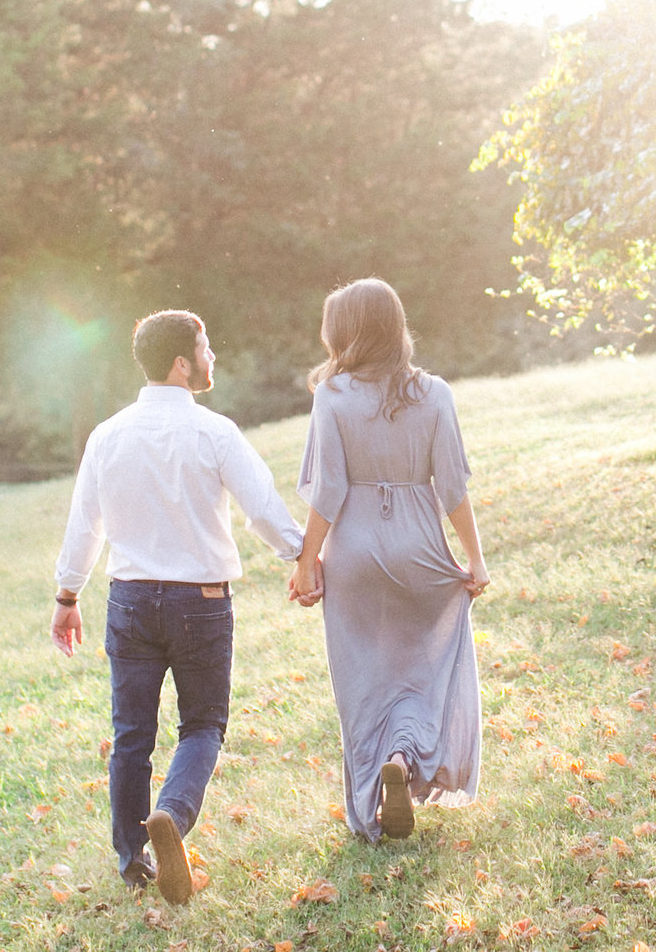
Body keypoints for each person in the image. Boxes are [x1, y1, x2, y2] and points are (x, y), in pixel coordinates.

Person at [51, 309, 309, 904]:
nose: (213, 357)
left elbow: (84, 526)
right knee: (202, 726)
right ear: (181, 363)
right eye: (206, 347)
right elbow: (263, 509)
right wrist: (302, 557)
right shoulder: (215, 432)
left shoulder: (107, 435)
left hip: (131, 602)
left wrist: (68, 595)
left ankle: (132, 859)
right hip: (201, 603)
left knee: (131, 735)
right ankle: (171, 815)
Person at [289, 278, 489, 842]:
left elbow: (327, 490)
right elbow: (451, 488)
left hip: (353, 550)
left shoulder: (331, 397)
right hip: (419, 547)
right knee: (426, 669)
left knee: (364, 678)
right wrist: (474, 559)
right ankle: (405, 759)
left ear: (347, 333)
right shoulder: (436, 393)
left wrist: (307, 561)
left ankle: (370, 797)